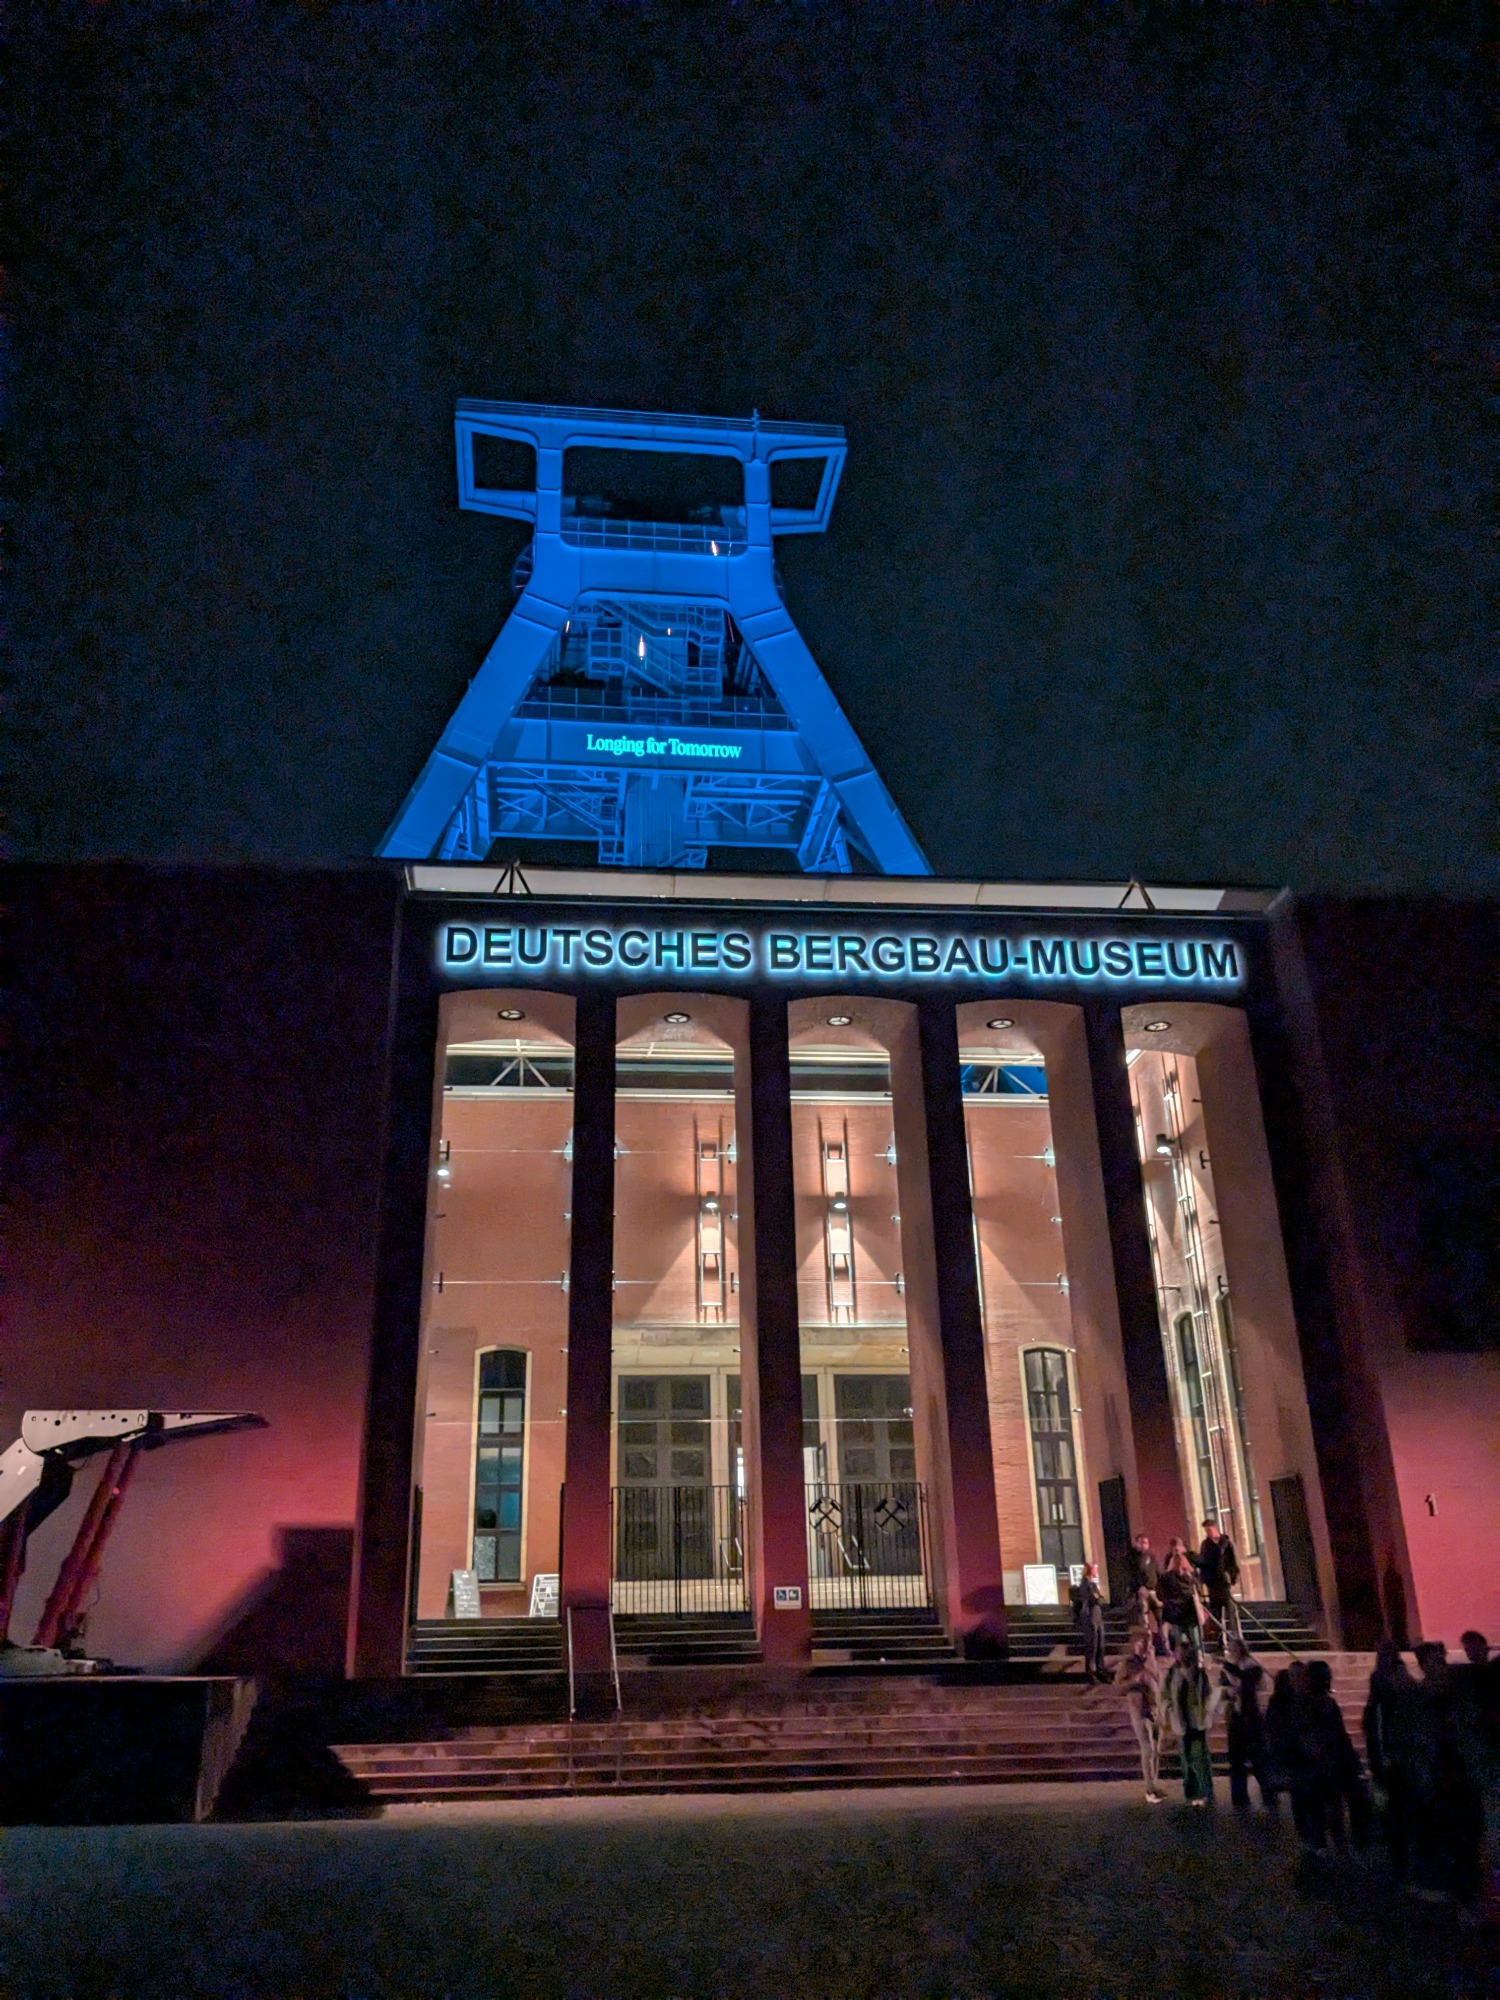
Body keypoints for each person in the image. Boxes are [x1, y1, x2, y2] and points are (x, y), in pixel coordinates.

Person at [1364, 1639, 1418, 1884]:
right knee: (1392, 1806)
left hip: (1396, 1757)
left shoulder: (1391, 1693)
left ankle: (1401, 1856)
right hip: (1390, 1757)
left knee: (1395, 1806)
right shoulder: (1382, 1691)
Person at [1221, 1636, 1275, 1812]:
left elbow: (1248, 1684)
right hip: (1236, 1717)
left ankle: (1269, 1796)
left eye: (1233, 1650)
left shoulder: (1252, 1667)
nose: (1231, 1653)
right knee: (1236, 1760)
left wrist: (1228, 1667)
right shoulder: (1232, 1669)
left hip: (1251, 1719)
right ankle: (1239, 1798)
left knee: (1258, 1760)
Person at [1164, 1633, 1218, 1806]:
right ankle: (1191, 1793)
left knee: (1200, 1756)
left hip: (1196, 1719)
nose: (1182, 1656)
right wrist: (1168, 1709)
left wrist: (1206, 1711)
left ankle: (1206, 1791)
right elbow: (1164, 1694)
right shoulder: (1172, 1673)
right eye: (1180, 1652)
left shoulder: (1199, 1674)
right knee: (1186, 1758)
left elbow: (1207, 1694)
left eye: (1185, 1653)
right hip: (1181, 1719)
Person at [1115, 1625, 1165, 1802]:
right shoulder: (1129, 1663)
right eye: (1145, 1640)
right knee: (1147, 1747)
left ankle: (1154, 1784)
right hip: (1138, 1708)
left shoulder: (1150, 1660)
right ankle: (1149, 1788)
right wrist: (1135, 1681)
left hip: (1154, 1706)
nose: (1148, 1644)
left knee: (1156, 1748)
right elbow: (1119, 1686)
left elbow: (1157, 1679)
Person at [1196, 1518, 1240, 1649]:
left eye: (1209, 1530)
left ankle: (1235, 1640)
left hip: (1225, 1583)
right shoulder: (1206, 1545)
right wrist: (1205, 1580)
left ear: (1215, 1528)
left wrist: (1233, 1579)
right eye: (1206, 1531)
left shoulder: (1226, 1543)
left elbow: (1233, 1562)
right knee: (1217, 1614)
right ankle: (1221, 1640)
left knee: (1231, 1612)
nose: (1208, 1533)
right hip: (1213, 1584)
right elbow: (1203, 1563)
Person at [1158, 1542, 1201, 1654]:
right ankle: (1198, 1659)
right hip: (1189, 1611)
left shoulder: (1166, 1577)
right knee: (1195, 1639)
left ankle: (1181, 1659)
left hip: (1175, 1613)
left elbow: (1160, 1593)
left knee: (1179, 1641)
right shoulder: (1189, 1577)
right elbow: (1198, 1590)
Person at [1071, 1561, 1108, 1682]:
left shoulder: (1093, 1585)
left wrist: (1098, 1597)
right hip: (1090, 1617)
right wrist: (1097, 1597)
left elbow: (1100, 1599)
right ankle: (1091, 1672)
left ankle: (1100, 1670)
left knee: (1100, 1646)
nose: (1096, 1570)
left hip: (1098, 1617)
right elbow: (1093, 1599)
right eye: (1094, 1568)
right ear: (1090, 1570)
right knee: (1092, 1646)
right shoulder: (1085, 1584)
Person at [1122, 1533, 1161, 1638]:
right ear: (1136, 1543)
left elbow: (1157, 1572)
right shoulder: (1131, 1557)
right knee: (1144, 1619)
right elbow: (1130, 1575)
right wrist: (1139, 1587)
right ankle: (1147, 1642)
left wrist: (1158, 1588)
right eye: (1142, 1543)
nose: (1144, 1545)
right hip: (1140, 1592)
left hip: (1153, 1591)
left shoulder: (1151, 1557)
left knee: (1160, 1617)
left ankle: (1162, 1642)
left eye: (1146, 1543)